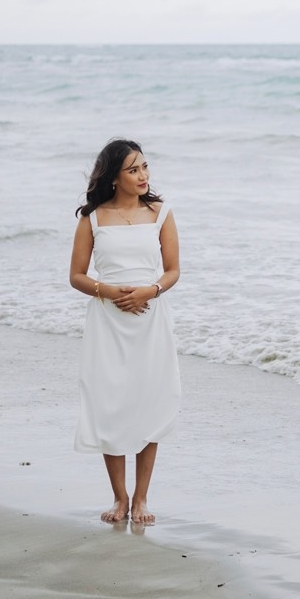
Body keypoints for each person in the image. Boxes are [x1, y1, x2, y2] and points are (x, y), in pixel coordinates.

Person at [70, 138, 181, 525]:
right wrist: (110, 291)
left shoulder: (161, 212)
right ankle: (119, 498)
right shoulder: (93, 218)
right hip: (108, 322)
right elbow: (77, 276)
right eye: (133, 170)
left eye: (145, 167)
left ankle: (142, 498)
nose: (143, 175)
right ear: (114, 177)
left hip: (150, 320)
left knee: (150, 401)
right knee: (111, 404)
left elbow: (173, 270)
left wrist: (152, 290)